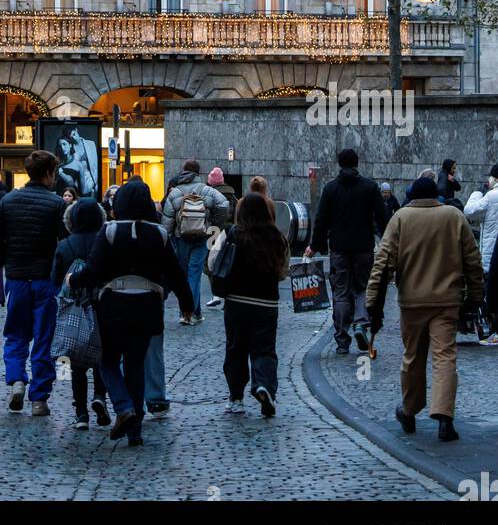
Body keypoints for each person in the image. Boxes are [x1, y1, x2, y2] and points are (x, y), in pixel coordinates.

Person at [70, 177, 192, 448]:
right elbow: (175, 272)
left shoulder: (110, 231)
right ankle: (135, 431)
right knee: (136, 366)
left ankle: (123, 407)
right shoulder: (158, 233)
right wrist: (187, 303)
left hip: (114, 306)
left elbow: (94, 270)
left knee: (108, 361)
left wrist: (73, 281)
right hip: (148, 308)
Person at [367, 175, 484, 442]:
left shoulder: (401, 219)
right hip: (446, 300)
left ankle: (409, 410)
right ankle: (444, 416)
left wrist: (373, 303)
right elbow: (472, 260)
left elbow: (382, 263)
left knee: (412, 357)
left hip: (411, 302)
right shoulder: (453, 217)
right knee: (444, 357)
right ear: (436, 196)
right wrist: (476, 295)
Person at [0, 150, 66, 417]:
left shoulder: (8, 201)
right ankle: (39, 399)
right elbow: (63, 243)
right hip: (45, 279)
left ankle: (17, 380)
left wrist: (6, 264)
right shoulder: (57, 204)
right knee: (44, 338)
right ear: (47, 174)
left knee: (16, 334)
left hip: (17, 277)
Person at [305, 148, 386, 355]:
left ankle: (342, 339)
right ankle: (360, 323)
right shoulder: (369, 187)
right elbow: (382, 216)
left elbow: (321, 221)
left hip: (339, 248)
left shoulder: (331, 188)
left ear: (339, 164)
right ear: (356, 163)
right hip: (363, 247)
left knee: (340, 292)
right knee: (362, 287)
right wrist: (388, 240)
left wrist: (314, 246)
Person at [222, 192, 290, 419]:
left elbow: (216, 261)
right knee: (264, 349)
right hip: (266, 302)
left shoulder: (234, 233)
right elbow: (283, 271)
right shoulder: (277, 237)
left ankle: (236, 398)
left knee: (236, 349)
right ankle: (264, 386)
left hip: (236, 301)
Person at [51, 199, 111, 430]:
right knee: (101, 356)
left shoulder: (65, 245)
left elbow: (55, 279)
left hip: (73, 309)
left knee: (75, 363)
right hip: (100, 306)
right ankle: (100, 396)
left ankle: (81, 414)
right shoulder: (104, 241)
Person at [161, 159, 229, 323]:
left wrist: (168, 238)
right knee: (195, 274)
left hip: (181, 237)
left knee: (184, 276)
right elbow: (224, 204)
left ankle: (187, 313)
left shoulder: (176, 192)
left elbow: (167, 219)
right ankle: (194, 312)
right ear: (198, 173)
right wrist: (213, 226)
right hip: (202, 236)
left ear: (183, 172)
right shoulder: (206, 190)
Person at [464, 165, 498, 343]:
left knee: (491, 292)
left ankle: (494, 330)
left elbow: (469, 211)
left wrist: (477, 193)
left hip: (491, 253)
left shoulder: (491, 196)